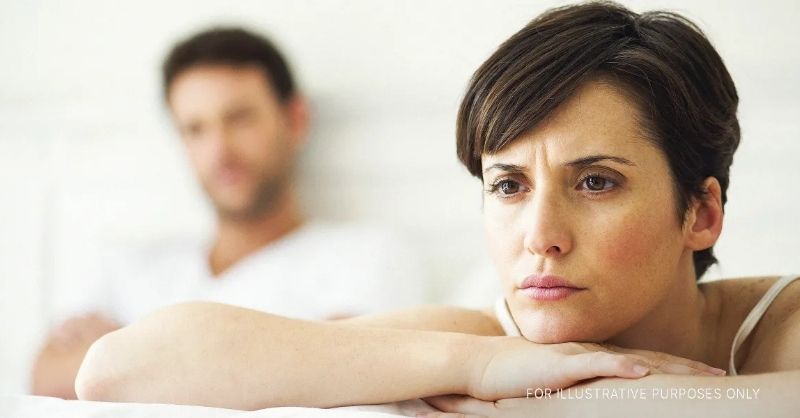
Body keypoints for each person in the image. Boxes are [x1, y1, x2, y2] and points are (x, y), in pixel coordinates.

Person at [73, 2, 800, 416]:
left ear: (701, 213)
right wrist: (479, 366)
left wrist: (562, 400)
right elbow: (116, 371)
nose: (540, 238)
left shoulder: (783, 326)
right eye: (508, 186)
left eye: (595, 183)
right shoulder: (484, 341)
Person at [30, 27, 429, 399]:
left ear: (295, 120)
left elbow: (348, 374)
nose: (219, 151)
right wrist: (265, 362)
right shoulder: (132, 268)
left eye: (238, 119)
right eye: (195, 129)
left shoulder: (364, 255)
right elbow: (45, 379)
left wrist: (126, 353)